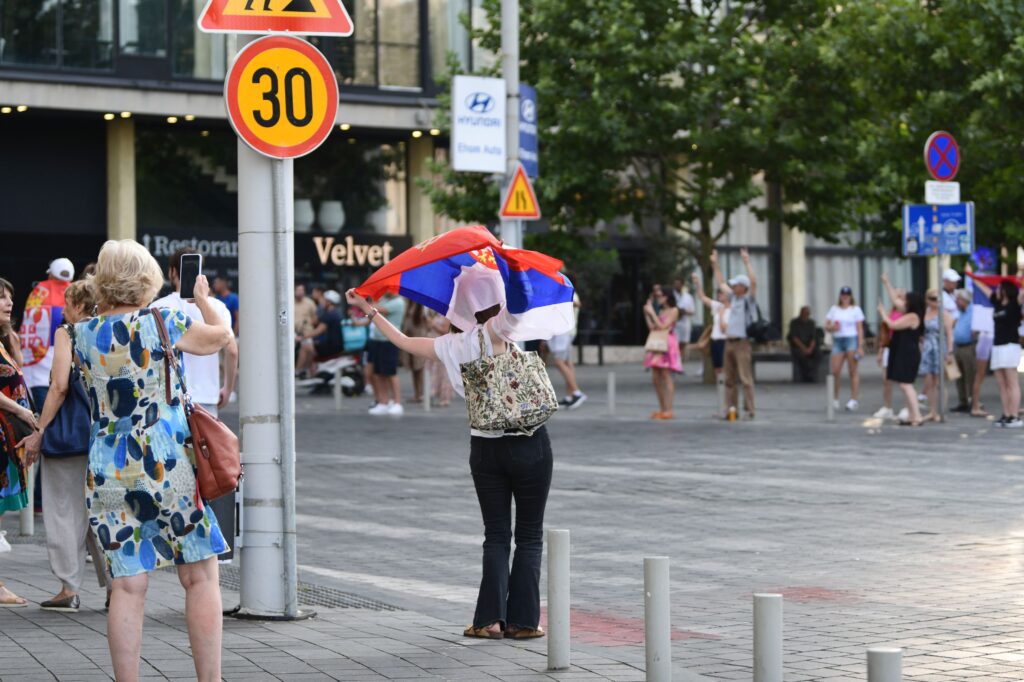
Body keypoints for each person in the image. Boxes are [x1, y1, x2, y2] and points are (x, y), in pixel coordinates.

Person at [344, 283, 566, 641]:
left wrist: (368, 309)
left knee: (495, 535)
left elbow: (401, 341)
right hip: (529, 444)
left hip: (485, 449)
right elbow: (519, 308)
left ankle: (489, 620)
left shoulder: (449, 346)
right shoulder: (498, 329)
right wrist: (515, 273)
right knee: (529, 535)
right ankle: (524, 622)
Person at [72, 240, 233, 681]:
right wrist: (203, 301)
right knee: (199, 576)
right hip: (168, 464)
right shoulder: (165, 318)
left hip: (107, 467)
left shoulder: (80, 333)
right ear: (146, 279)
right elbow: (221, 338)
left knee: (127, 583)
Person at [18, 280, 99, 612]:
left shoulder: (69, 333)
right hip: (103, 433)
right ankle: (115, 588)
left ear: (78, 306)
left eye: (67, 304)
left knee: (64, 510)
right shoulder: (110, 329)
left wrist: (40, 429)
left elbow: (60, 386)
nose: (63, 311)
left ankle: (69, 588)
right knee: (98, 513)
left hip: (70, 437)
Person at [155, 250, 238, 413]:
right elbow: (232, 350)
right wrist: (227, 389)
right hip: (206, 398)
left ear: (172, 272)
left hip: (167, 399)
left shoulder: (156, 308)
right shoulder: (218, 307)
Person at [0, 276, 33, 607]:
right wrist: (22, 414)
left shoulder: (5, 341)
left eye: (10, 297)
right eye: (1, 298)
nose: (9, 302)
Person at [20, 258, 75, 416]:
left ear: (51, 273)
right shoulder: (75, 293)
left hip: (38, 367)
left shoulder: (39, 291)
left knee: (44, 417)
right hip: (67, 367)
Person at [712, 248, 757, 420]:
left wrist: (747, 262)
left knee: (745, 378)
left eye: (736, 285)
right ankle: (731, 409)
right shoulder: (733, 298)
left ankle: (750, 410)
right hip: (728, 342)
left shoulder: (748, 299)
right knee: (729, 378)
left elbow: (754, 282)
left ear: (742, 287)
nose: (732, 287)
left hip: (742, 342)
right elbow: (721, 283)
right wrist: (715, 264)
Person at [971, 278, 1023, 427]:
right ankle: (1006, 414)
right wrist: (974, 278)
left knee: (1011, 381)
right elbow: (985, 290)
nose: (997, 290)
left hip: (1010, 345)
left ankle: (1014, 415)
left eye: (999, 288)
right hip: (997, 346)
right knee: (1001, 383)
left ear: (1006, 290)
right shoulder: (997, 303)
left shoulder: (1015, 304)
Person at [878, 291, 925, 426]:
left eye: (905, 301)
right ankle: (912, 415)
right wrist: (887, 285)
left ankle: (917, 416)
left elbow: (892, 325)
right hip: (903, 352)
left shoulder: (912, 316)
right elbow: (896, 302)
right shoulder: (910, 314)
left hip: (908, 353)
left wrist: (882, 313)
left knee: (906, 384)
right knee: (904, 384)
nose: (902, 303)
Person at [643, 286, 681, 420]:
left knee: (666, 375)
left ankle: (669, 409)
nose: (658, 298)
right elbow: (653, 327)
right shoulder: (661, 311)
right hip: (657, 342)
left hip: (667, 343)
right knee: (655, 377)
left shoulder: (674, 310)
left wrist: (652, 312)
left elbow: (663, 326)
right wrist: (647, 314)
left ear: (667, 297)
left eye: (660, 296)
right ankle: (662, 408)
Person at [366, 293, 406, 416]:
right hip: (378, 340)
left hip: (389, 341)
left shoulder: (398, 302)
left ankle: (397, 402)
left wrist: (368, 303)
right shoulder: (385, 299)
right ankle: (384, 402)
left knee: (391, 373)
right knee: (379, 373)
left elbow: (374, 311)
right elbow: (370, 313)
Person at [825, 287, 865, 411]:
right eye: (843, 295)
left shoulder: (855, 309)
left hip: (851, 339)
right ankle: (835, 399)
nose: (845, 297)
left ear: (851, 296)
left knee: (852, 370)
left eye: (847, 295)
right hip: (838, 339)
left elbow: (859, 328)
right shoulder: (834, 309)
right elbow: (827, 325)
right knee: (835, 371)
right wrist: (832, 327)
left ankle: (854, 399)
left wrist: (860, 346)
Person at [874, 274, 906, 420]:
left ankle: (907, 407)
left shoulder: (906, 312)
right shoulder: (891, 312)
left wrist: (887, 283)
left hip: (901, 346)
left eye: (900, 296)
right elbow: (885, 333)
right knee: (886, 379)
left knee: (903, 380)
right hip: (890, 347)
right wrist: (881, 350)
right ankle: (887, 407)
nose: (896, 298)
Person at [918, 289, 954, 422]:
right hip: (928, 349)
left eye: (938, 299)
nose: (936, 301)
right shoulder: (925, 313)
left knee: (939, 382)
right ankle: (932, 411)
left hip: (940, 348)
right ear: (927, 300)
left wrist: (949, 352)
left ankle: (940, 411)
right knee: (929, 381)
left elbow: (949, 334)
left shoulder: (944, 314)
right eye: (933, 299)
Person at [548, 292, 586, 410]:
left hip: (564, 332)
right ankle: (570, 396)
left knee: (559, 362)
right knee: (567, 363)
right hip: (565, 332)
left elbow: (577, 304)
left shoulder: (566, 290)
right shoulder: (564, 290)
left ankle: (576, 392)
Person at [296, 290, 344, 377]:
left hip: (331, 346)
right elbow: (315, 321)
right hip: (334, 344)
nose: (322, 302)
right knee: (312, 350)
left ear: (329, 302)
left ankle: (298, 371)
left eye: (325, 300)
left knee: (306, 347)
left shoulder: (330, 314)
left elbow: (318, 331)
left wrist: (303, 337)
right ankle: (314, 375)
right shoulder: (334, 313)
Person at [692, 273, 729, 379]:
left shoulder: (733, 310)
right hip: (715, 340)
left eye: (722, 293)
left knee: (725, 367)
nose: (719, 295)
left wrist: (721, 315)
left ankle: (727, 391)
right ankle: (721, 392)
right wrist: (698, 284)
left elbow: (724, 328)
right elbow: (702, 297)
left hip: (725, 340)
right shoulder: (718, 306)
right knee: (717, 369)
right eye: (719, 294)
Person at [951, 289, 976, 413]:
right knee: (959, 376)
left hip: (969, 346)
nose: (956, 301)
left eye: (958, 299)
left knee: (970, 375)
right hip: (958, 346)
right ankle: (963, 401)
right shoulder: (961, 312)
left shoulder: (973, 311)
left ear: (964, 300)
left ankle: (974, 401)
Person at [402, 302, 430, 403]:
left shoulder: (423, 306)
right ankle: (417, 393)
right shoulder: (408, 305)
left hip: (420, 338)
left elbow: (427, 324)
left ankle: (422, 393)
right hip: (410, 338)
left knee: (420, 368)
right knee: (414, 368)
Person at [788, 306, 820, 383]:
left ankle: (811, 373)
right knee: (800, 355)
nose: (805, 315)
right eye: (804, 313)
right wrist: (804, 349)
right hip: (799, 346)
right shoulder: (794, 323)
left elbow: (814, 338)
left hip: (809, 346)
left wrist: (810, 349)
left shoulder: (811, 323)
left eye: (807, 314)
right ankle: (807, 374)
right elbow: (794, 338)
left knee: (819, 354)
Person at [672, 278, 696, 357]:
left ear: (682, 285)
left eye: (678, 284)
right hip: (674, 323)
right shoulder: (672, 296)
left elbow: (692, 311)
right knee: (675, 343)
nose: (677, 285)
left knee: (684, 342)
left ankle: (680, 362)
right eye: (675, 284)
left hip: (685, 323)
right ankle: (676, 362)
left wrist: (684, 311)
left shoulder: (688, 297)